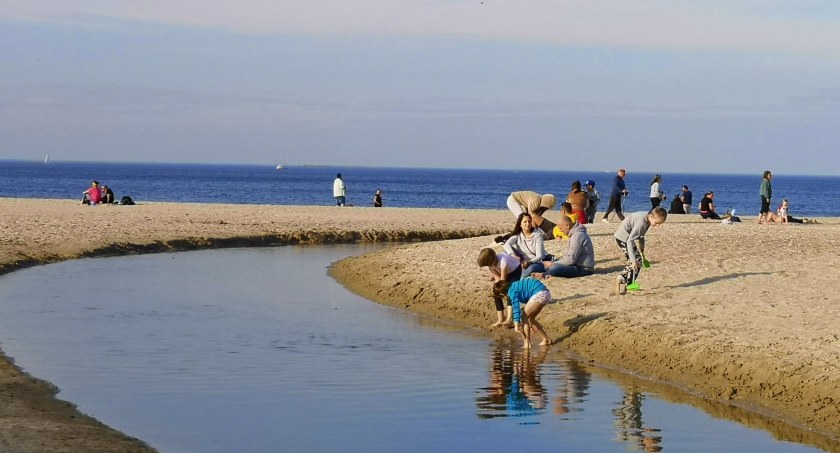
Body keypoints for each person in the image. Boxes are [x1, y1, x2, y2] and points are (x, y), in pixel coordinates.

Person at [613, 207, 667, 295]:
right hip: (623, 238)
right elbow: (630, 240)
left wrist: (642, 248)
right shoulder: (641, 223)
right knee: (635, 262)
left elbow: (641, 236)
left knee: (638, 261)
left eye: (660, 224)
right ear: (651, 217)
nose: (657, 226)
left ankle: (627, 284)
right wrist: (633, 261)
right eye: (657, 223)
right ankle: (622, 280)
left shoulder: (647, 218)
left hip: (627, 238)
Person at [494, 278, 552, 349]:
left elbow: (516, 308)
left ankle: (527, 345)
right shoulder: (514, 285)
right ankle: (546, 339)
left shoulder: (512, 291)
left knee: (523, 317)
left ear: (503, 294)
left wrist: (516, 325)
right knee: (531, 319)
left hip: (539, 293)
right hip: (545, 293)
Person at [539, 214, 595, 279]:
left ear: (567, 226)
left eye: (560, 228)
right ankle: (547, 272)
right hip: (575, 265)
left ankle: (545, 274)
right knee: (549, 262)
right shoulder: (573, 235)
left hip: (584, 268)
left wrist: (553, 263)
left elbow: (571, 260)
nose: (560, 231)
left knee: (554, 268)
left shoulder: (577, 236)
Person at [478, 248, 522, 328]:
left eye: (488, 264)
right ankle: (501, 319)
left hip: (515, 271)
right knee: (496, 293)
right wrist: (496, 290)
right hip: (503, 273)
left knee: (510, 292)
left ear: (491, 259)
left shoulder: (503, 261)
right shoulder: (490, 265)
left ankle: (509, 319)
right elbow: (497, 279)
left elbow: (502, 281)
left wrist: (504, 291)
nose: (488, 266)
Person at [503, 213, 547, 278]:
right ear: (520, 224)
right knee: (506, 253)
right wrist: (513, 255)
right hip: (522, 261)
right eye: (525, 222)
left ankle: (521, 278)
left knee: (531, 268)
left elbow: (540, 256)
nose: (528, 224)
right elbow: (507, 244)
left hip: (536, 262)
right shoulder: (518, 235)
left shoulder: (537, 235)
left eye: (529, 221)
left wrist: (529, 262)